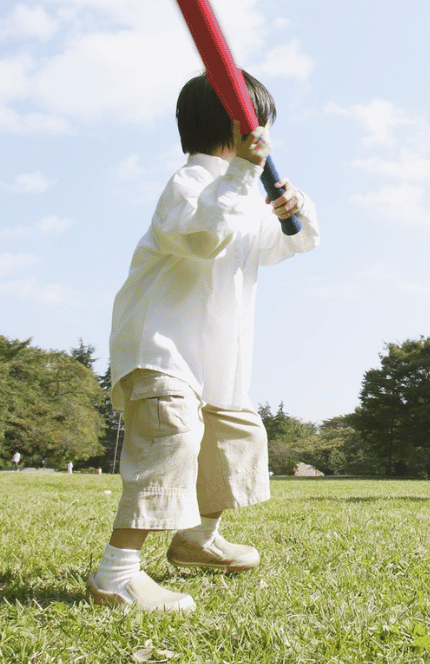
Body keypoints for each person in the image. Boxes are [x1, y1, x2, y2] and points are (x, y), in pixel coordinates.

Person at [86, 71, 319, 613]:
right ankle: (115, 575)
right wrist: (244, 174)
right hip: (161, 347)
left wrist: (293, 210)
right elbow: (203, 238)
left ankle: (195, 539)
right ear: (237, 129)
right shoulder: (190, 184)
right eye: (256, 125)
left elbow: (291, 244)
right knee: (171, 443)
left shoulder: (241, 193)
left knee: (237, 437)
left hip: (214, 357)